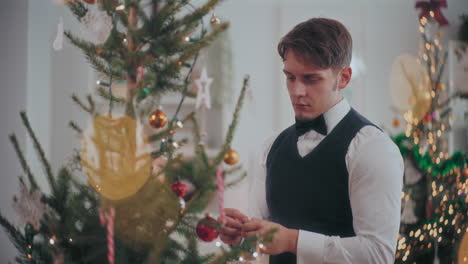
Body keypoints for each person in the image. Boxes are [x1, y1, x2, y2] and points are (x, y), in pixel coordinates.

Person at [219, 18, 404, 264]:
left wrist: (293, 241)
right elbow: (258, 232)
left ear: (344, 78)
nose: (297, 91)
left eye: (311, 79)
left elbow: (377, 255)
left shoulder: (372, 149)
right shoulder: (271, 147)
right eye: (290, 78)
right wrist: (239, 233)